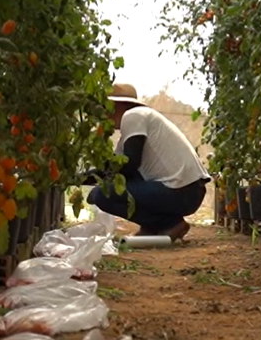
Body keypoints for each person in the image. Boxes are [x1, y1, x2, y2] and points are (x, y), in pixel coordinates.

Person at [85, 84, 210, 241]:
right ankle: (153, 227)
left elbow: (130, 165)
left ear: (115, 105)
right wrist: (79, 178)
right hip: (189, 190)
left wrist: (94, 186)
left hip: (182, 191)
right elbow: (116, 167)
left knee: (102, 194)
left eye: (105, 107)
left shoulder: (133, 116)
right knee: (104, 189)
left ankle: (169, 224)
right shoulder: (137, 123)